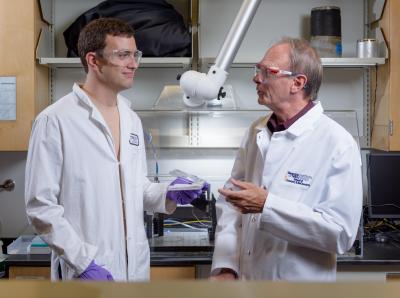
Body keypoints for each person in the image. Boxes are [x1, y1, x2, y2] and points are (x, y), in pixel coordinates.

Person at [25, 18, 207, 281]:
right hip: (86, 271)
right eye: (123, 55)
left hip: (134, 270)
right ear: (93, 60)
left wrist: (169, 193)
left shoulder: (131, 119)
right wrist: (82, 262)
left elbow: (136, 188)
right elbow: (40, 207)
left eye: (135, 54)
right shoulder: (55, 120)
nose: (133, 63)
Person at [210, 37, 362, 281]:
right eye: (257, 70)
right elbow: (231, 203)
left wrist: (267, 206)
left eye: (267, 72)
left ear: (297, 83)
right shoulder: (256, 131)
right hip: (247, 284)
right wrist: (227, 266)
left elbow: (341, 234)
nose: (256, 78)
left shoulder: (337, 143)